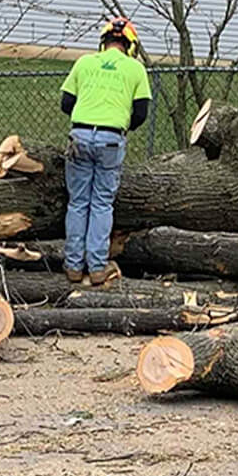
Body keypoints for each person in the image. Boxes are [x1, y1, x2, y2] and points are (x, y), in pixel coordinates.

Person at [59, 17, 152, 285]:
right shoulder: (135, 69)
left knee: (78, 202)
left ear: (103, 42)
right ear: (131, 45)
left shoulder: (84, 63)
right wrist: (121, 123)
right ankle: (97, 267)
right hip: (112, 139)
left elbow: (66, 103)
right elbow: (141, 113)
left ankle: (73, 266)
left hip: (80, 135)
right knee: (101, 203)